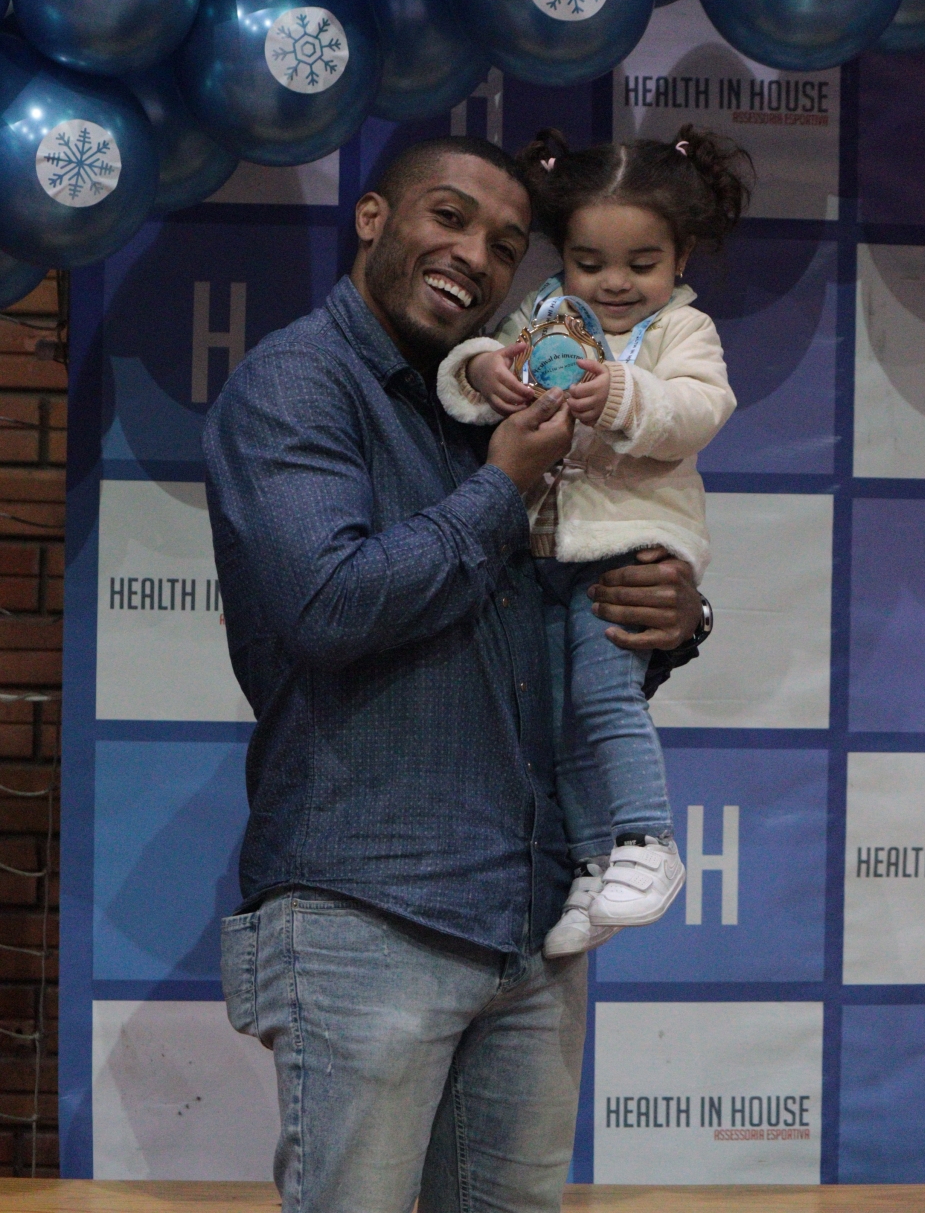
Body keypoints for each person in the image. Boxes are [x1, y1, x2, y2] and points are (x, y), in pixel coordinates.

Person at [203, 135, 710, 1213]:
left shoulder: (495, 394)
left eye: (506, 245)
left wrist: (671, 620)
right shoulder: (298, 382)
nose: (475, 256)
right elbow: (331, 608)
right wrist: (500, 489)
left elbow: (543, 634)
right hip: (368, 910)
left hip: (531, 918)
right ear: (372, 218)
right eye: (448, 217)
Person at [437, 127, 751, 957]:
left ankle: (648, 840)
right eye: (589, 262)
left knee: (606, 701)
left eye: (641, 264)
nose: (614, 283)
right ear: (564, 258)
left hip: (629, 548)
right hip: (541, 551)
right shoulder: (547, 312)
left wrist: (616, 392)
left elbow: (698, 412)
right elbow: (487, 357)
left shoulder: (684, 330)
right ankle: (593, 861)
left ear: (680, 257)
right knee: (561, 717)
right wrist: (481, 372)